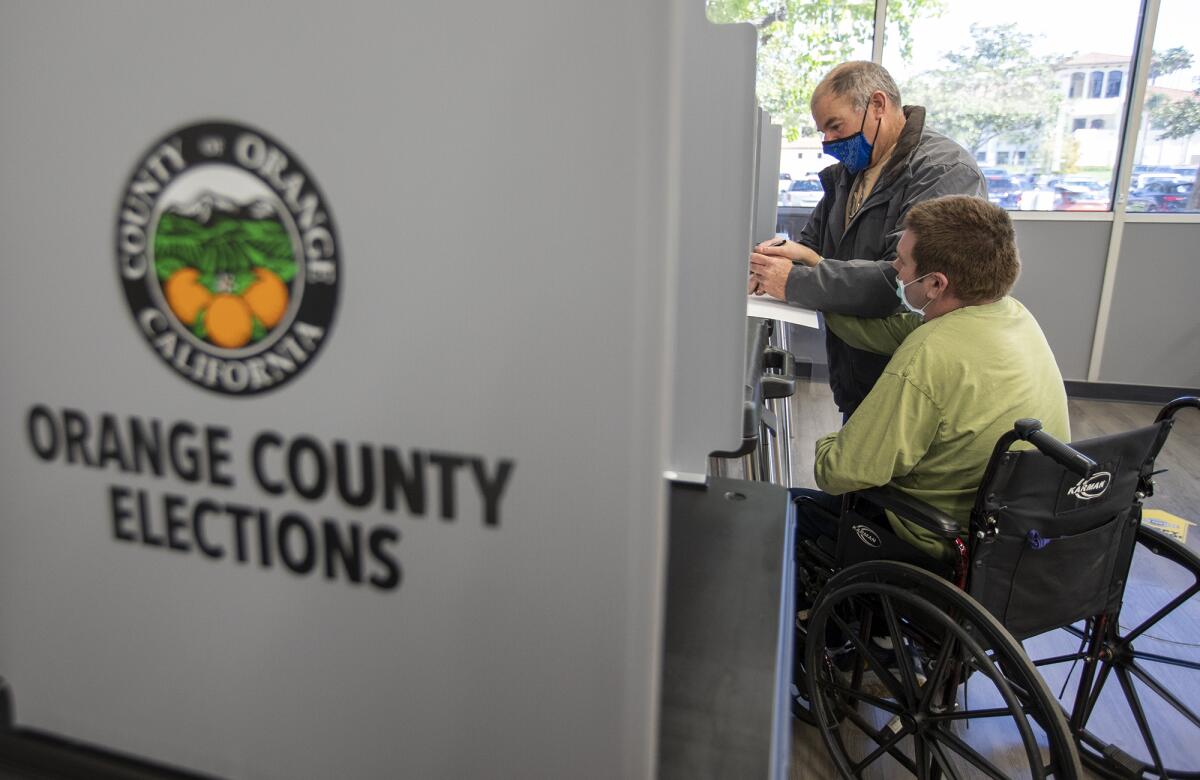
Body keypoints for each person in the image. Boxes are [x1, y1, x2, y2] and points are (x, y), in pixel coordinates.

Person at [791, 195, 1069, 563]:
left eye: (902, 262)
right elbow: (885, 332)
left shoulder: (928, 353)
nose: (895, 268)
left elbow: (837, 472)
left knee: (782, 508)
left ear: (935, 284)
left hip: (935, 542)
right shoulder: (1012, 315)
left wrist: (837, 438)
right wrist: (808, 289)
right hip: (1013, 540)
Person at [749, 61, 986, 419]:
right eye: (822, 131)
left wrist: (793, 279)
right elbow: (813, 243)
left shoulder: (944, 172)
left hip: (910, 384)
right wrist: (772, 267)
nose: (827, 140)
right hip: (857, 370)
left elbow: (903, 281)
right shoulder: (853, 172)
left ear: (877, 106)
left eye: (835, 126)